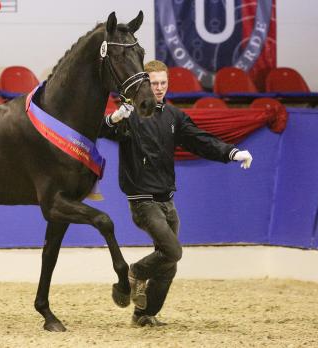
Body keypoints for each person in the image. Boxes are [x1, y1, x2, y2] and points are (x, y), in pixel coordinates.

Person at [101, 60, 253, 327]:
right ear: (145, 83)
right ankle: (135, 273)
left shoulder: (174, 116)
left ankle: (144, 315)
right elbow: (104, 130)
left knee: (169, 264)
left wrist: (231, 152)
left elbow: (200, 140)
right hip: (142, 201)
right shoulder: (130, 115)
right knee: (173, 250)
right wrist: (114, 118)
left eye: (163, 83)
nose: (159, 88)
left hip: (167, 201)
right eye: (154, 83)